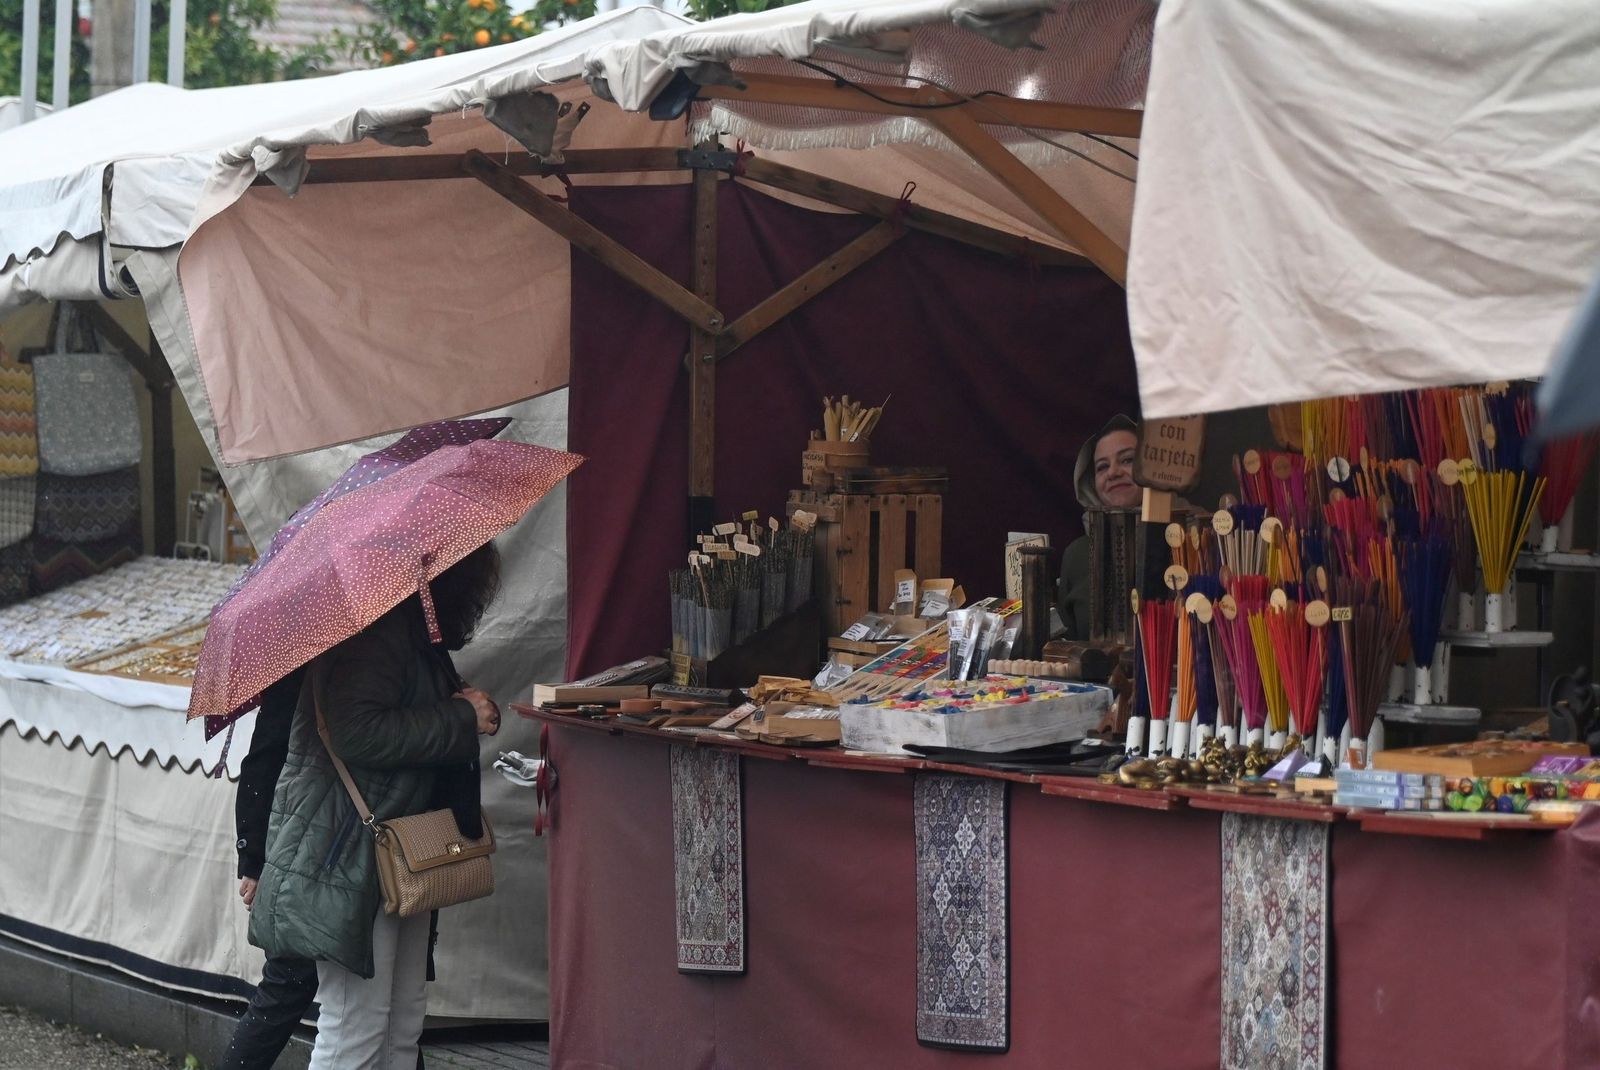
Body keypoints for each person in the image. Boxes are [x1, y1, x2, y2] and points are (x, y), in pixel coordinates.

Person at [247, 543, 504, 1070]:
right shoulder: (376, 631)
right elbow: (357, 732)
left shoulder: (400, 625)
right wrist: (459, 718)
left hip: (390, 848)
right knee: (356, 1027)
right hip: (349, 851)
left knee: (398, 1024)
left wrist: (460, 706)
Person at [1057, 415, 1142, 639]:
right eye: (1102, 467)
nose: (1113, 472)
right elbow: (1067, 646)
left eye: (1127, 460)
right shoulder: (1077, 555)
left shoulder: (1189, 542)